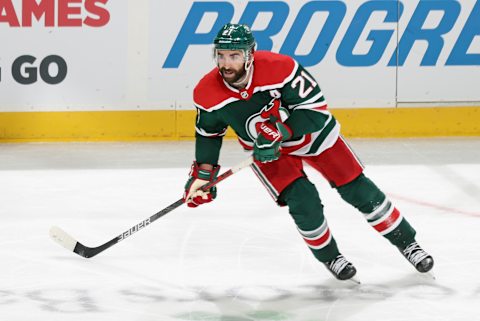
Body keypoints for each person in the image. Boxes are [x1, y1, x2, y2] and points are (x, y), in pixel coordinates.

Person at [183, 23, 434, 281]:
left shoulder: (281, 68)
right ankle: (331, 257)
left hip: (312, 135)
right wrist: (203, 173)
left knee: (358, 189)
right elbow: (209, 133)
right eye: (221, 55)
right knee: (303, 201)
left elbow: (315, 112)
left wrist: (282, 131)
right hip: (268, 152)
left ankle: (407, 243)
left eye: (234, 56)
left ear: (250, 54)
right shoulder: (207, 92)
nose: (226, 64)